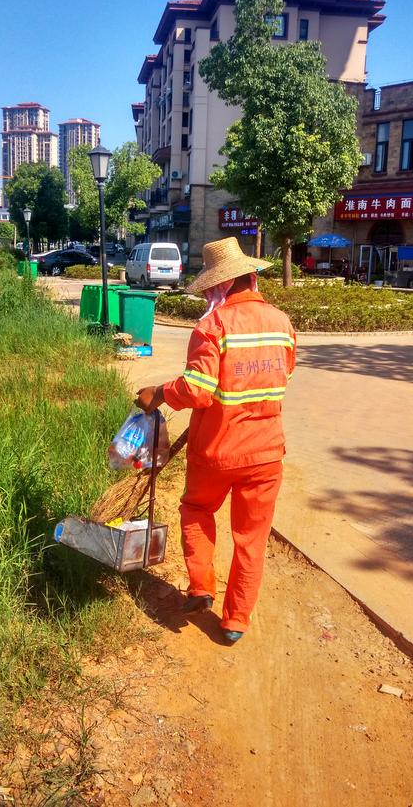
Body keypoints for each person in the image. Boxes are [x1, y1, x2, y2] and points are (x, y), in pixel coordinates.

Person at [136, 236, 296, 645]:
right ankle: (236, 622)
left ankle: (202, 586)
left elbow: (199, 389)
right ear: (249, 277)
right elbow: (283, 377)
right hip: (266, 454)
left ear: (218, 284)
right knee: (252, 538)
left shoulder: (213, 326)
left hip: (217, 453)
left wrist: (157, 393)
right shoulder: (282, 323)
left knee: (196, 508)